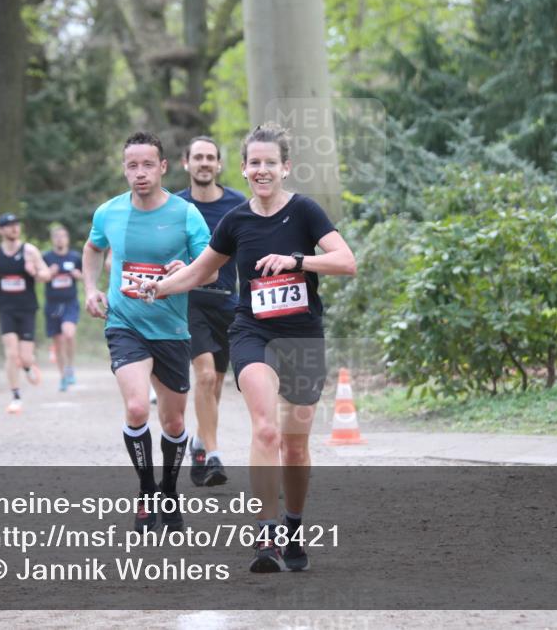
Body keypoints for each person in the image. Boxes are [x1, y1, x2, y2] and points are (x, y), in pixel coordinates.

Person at [126, 123, 356, 573]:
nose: (263, 170)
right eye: (255, 163)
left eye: (271, 162)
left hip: (302, 335)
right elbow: (198, 272)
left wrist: (297, 261)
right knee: (266, 429)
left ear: (285, 167)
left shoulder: (306, 211)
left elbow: (345, 261)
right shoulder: (236, 220)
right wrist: (158, 288)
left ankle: (292, 525)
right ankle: (265, 534)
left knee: (294, 444)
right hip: (253, 332)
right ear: (245, 170)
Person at [82, 131, 214, 533]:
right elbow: (93, 249)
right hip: (125, 323)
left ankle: (170, 490)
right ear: (124, 169)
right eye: (132, 166)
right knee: (138, 408)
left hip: (172, 327)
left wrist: (185, 272)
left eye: (147, 165)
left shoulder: (186, 214)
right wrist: (91, 287)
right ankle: (146, 490)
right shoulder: (108, 212)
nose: (139, 173)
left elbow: (212, 268)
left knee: (174, 424)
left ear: (163, 167)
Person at [177, 136, 246, 487]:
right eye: (197, 157)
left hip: (226, 302)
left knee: (216, 383)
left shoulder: (238, 204)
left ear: (219, 165)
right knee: (203, 377)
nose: (204, 163)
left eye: (210, 158)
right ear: (185, 163)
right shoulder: (174, 206)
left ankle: (200, 443)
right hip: (189, 302)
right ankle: (215, 454)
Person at [0, 213, 51, 414]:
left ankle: (28, 366)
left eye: (16, 225)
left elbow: (46, 274)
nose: (14, 228)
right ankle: (16, 396)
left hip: (27, 308)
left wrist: (34, 272)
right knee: (11, 353)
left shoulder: (29, 251)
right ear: (0, 230)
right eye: (9, 226)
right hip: (6, 308)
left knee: (25, 357)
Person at [42, 224, 83, 391]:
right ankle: (62, 377)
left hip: (69, 303)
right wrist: (48, 273)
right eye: (57, 236)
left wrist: (78, 275)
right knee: (58, 342)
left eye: (63, 236)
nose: (60, 239)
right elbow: (40, 277)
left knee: (69, 333)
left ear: (67, 239)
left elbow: (84, 276)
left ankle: (70, 367)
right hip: (52, 304)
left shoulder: (75, 257)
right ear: (53, 239)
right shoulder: (46, 257)